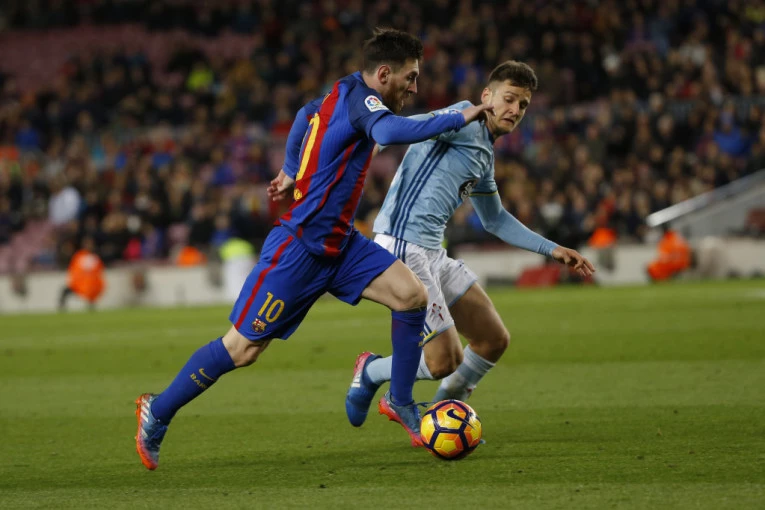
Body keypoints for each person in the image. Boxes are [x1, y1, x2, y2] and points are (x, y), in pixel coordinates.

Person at [135, 28, 494, 470]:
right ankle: (157, 411)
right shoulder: (364, 103)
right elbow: (390, 130)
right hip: (299, 250)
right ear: (384, 74)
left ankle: (400, 401)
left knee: (411, 296)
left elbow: (305, 114)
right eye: (411, 77)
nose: (415, 87)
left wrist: (290, 169)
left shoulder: (342, 90)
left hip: (342, 245)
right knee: (242, 349)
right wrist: (460, 116)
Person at [345, 61, 596, 438]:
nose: (515, 110)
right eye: (509, 99)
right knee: (444, 359)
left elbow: (494, 219)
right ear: (486, 96)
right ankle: (371, 371)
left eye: (523, 105)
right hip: (402, 245)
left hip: (432, 252)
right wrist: (363, 147)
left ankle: (443, 414)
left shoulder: (483, 153)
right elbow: (402, 129)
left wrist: (552, 248)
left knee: (493, 339)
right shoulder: (460, 118)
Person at [59, 237, 105, 311]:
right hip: (79, 283)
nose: (89, 246)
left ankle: (91, 308)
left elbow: (98, 271)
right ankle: (62, 308)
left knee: (92, 292)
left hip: (91, 284)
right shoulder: (79, 255)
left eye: (90, 244)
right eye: (87, 244)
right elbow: (73, 269)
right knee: (65, 291)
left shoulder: (95, 257)